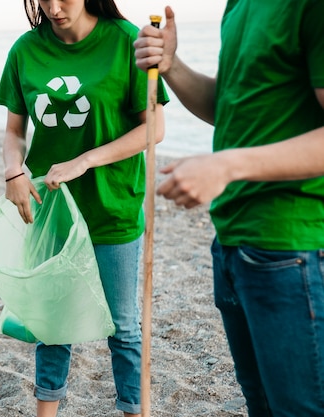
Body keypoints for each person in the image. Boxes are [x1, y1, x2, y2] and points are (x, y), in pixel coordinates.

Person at [134, 3, 324, 416]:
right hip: (235, 244)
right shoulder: (240, 4)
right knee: (262, 404)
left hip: (294, 248)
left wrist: (226, 165)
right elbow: (233, 108)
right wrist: (172, 65)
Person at [0, 1, 168, 416]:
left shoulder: (127, 40)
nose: (54, 8)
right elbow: (14, 131)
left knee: (124, 329)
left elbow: (154, 127)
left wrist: (85, 160)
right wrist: (12, 172)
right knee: (52, 327)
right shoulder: (24, 50)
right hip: (53, 211)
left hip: (113, 206)